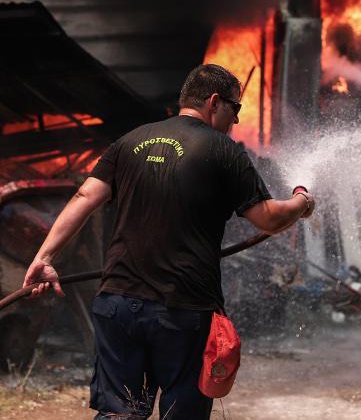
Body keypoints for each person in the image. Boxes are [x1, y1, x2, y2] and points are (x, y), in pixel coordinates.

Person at [22, 64, 315, 419]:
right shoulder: (223, 150)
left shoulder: (129, 141)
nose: (236, 122)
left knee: (120, 414)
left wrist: (45, 257)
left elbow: (84, 197)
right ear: (214, 102)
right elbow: (269, 218)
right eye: (235, 110)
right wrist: (301, 201)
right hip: (181, 310)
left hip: (117, 303)